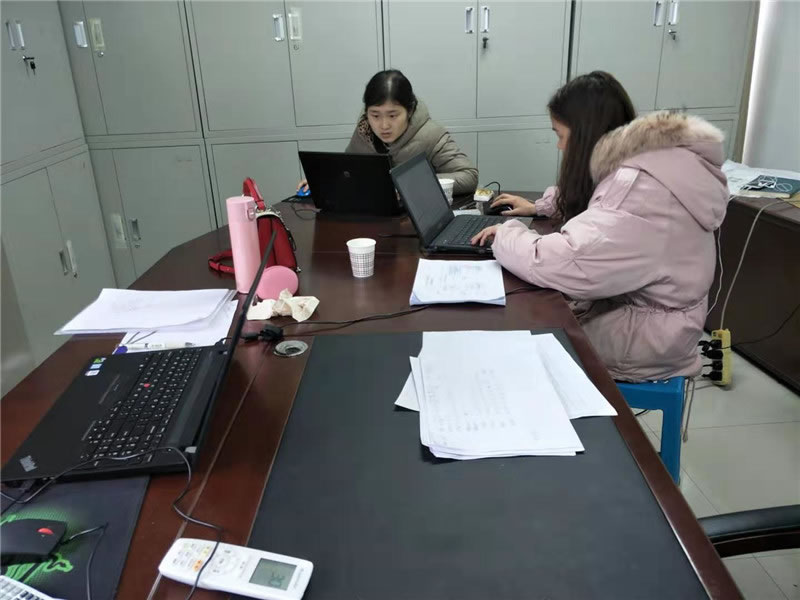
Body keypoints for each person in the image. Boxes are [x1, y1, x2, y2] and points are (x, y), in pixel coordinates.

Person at [471, 71, 729, 381]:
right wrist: (542, 205)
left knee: (517, 334)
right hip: (653, 317)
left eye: (560, 135)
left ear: (584, 136)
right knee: (532, 310)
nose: (559, 147)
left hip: (644, 338)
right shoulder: (652, 161)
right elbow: (602, 201)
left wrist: (508, 233)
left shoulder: (639, 193)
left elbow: (565, 261)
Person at [298, 70, 478, 195]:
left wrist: (409, 185)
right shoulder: (364, 131)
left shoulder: (431, 134)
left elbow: (469, 176)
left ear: (409, 110)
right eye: (375, 115)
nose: (383, 125)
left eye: (393, 115)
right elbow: (349, 169)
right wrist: (324, 182)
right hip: (373, 218)